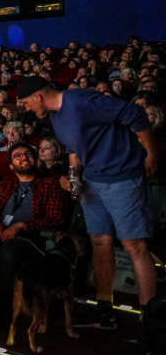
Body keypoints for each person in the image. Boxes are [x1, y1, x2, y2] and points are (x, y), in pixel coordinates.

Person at [18, 76, 159, 333]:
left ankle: (149, 318)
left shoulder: (82, 100)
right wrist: (73, 176)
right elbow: (75, 151)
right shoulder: (55, 117)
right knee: (99, 242)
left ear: (38, 96)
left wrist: (151, 152)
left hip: (122, 177)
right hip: (92, 181)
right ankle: (105, 310)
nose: (26, 108)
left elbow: (135, 113)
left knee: (134, 245)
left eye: (26, 102)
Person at [0, 142, 70, 311]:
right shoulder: (6, 184)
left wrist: (21, 226)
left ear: (36, 159)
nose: (24, 157)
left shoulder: (51, 184)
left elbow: (56, 218)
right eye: (18, 156)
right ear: (11, 165)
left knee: (9, 252)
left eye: (28, 154)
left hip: (30, 238)